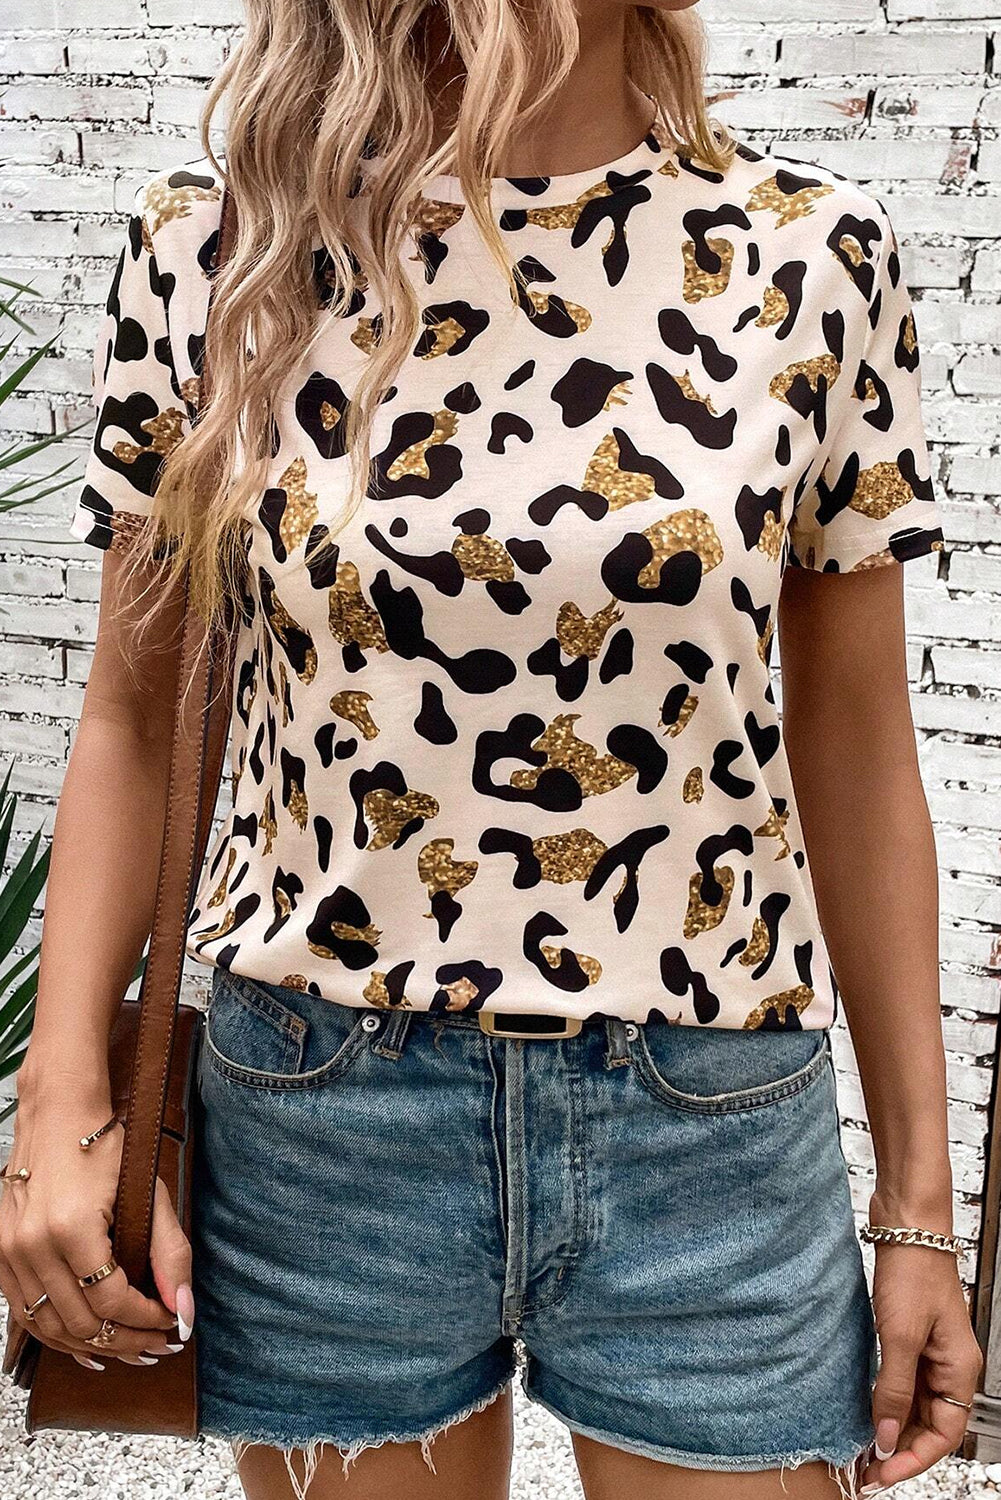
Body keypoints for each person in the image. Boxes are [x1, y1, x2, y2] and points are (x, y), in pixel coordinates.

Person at [0, 3, 984, 1498]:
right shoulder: (222, 250)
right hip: (325, 1113)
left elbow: (858, 747)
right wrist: (60, 1099)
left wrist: (917, 1209)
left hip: (707, 1120)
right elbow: (133, 717)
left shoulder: (807, 254)